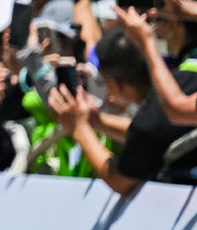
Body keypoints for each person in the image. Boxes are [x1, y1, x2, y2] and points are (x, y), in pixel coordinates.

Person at [46, 25, 197, 191]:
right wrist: (97, 121)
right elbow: (157, 133)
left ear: (117, 84)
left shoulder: (147, 126)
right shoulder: (185, 79)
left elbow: (119, 181)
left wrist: (79, 129)